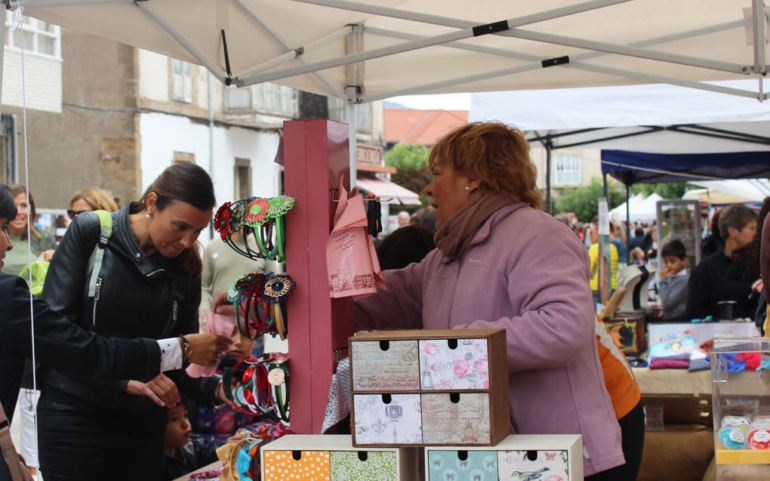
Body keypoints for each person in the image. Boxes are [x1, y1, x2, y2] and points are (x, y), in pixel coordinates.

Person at [353, 122, 624, 478]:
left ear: (474, 178)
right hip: (494, 459)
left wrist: (459, 349)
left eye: (438, 174)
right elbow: (395, 294)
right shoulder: (446, 255)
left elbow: (565, 326)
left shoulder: (538, 235)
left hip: (560, 458)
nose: (429, 189)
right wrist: (314, 292)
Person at [0, 184, 231, 481]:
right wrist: (172, 352)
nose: (187, 241)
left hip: (141, 425)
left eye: (198, 232)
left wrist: (222, 385)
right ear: (151, 204)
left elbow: (177, 369)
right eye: (180, 226)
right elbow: (73, 347)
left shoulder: (186, 268)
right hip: (74, 416)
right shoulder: (89, 234)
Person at [686, 204, 758, 321]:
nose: (757, 233)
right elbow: (695, 314)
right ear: (733, 231)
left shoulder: (757, 265)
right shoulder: (705, 270)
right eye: (752, 228)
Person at [2, 185, 57, 276]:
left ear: (31, 209)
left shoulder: (44, 238)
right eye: (13, 206)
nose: (18, 212)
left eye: (24, 206)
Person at [164, 400, 199, 481]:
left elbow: (212, 448)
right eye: (174, 419)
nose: (185, 424)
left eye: (185, 415)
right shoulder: (156, 467)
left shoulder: (188, 445)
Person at [588, 218, 619, 306]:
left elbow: (587, 269)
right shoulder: (613, 247)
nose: (590, 235)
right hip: (613, 286)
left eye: (591, 232)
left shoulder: (594, 248)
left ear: (598, 232)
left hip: (596, 288)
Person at [657, 240, 689, 321]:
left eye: (672, 261)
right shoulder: (672, 277)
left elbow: (667, 303)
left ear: (683, 261)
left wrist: (663, 280)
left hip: (678, 320)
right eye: (666, 262)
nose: (668, 265)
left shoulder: (684, 280)